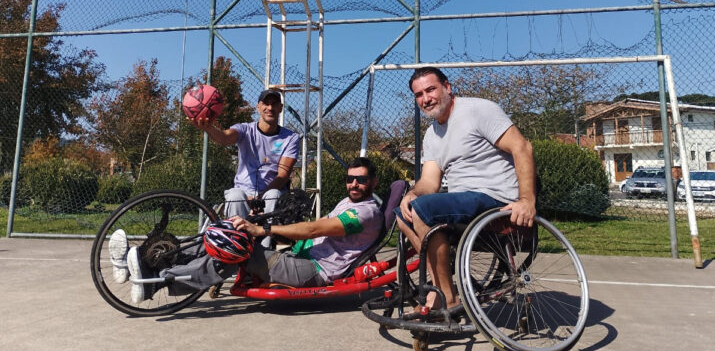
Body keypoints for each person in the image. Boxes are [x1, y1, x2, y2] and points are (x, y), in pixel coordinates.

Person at [115, 157, 383, 304]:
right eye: (350, 179)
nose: (354, 184)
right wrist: (262, 222)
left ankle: (158, 279)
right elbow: (311, 229)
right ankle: (141, 260)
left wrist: (262, 229)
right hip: (301, 257)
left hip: (315, 270)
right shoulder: (348, 202)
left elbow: (313, 229)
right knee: (228, 234)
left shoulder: (366, 212)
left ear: (373, 181)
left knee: (237, 249)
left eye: (361, 180)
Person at [396, 67, 537, 311]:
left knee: (422, 210)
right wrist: (412, 194)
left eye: (431, 90)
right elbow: (429, 181)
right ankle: (442, 284)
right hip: (465, 201)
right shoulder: (432, 134)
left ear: (447, 87)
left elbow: (522, 147)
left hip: (495, 197)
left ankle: (444, 297)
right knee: (404, 213)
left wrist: (527, 200)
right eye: (419, 95)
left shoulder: (478, 110)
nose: (426, 99)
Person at [191, 88, 300, 247]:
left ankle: (264, 251)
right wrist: (209, 128)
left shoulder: (291, 138)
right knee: (235, 195)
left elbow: (283, 175)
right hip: (244, 191)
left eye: (274, 104)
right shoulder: (244, 129)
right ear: (258, 107)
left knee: (274, 194)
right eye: (266, 103)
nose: (270, 108)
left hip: (270, 193)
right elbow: (225, 138)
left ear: (281, 108)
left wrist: (260, 198)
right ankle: (236, 247)